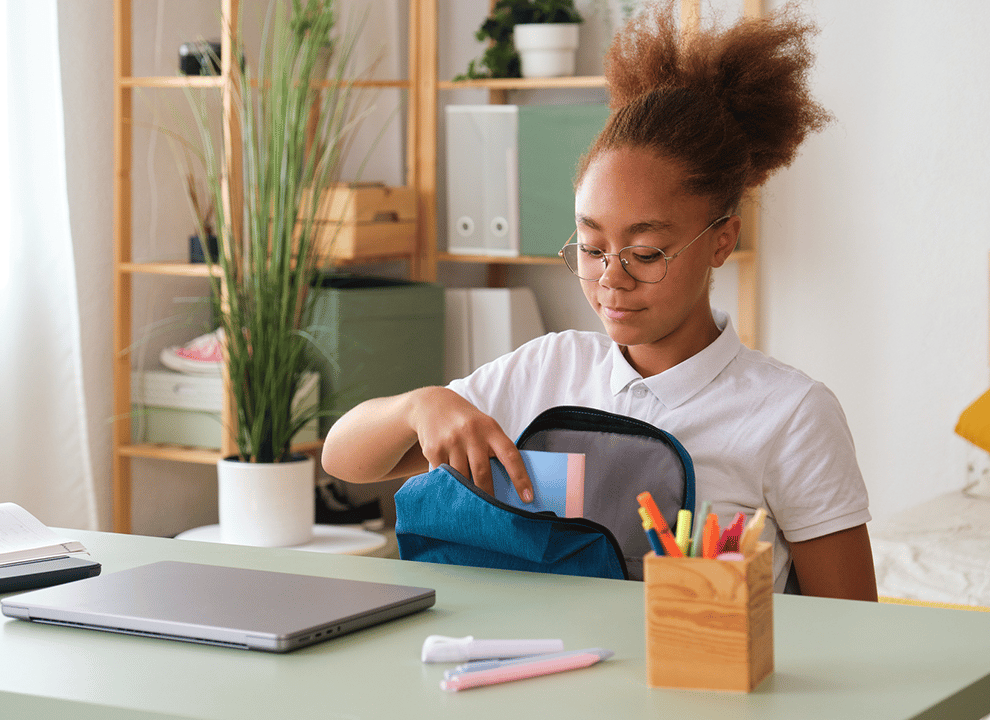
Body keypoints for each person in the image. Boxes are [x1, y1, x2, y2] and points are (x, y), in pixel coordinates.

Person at [322, 2, 877, 600]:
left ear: (721, 241)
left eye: (645, 253)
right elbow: (344, 459)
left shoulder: (792, 415)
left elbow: (852, 629)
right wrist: (420, 406)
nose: (611, 279)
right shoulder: (545, 370)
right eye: (590, 247)